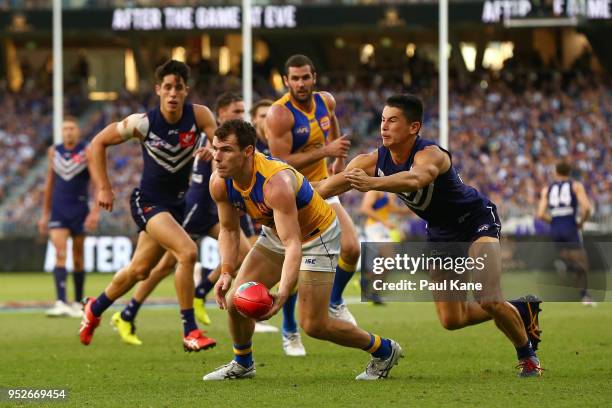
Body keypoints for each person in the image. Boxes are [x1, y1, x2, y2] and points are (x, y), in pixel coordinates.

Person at [315, 94, 543, 377]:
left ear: (414, 127)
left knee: (488, 298)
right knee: (451, 319)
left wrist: (371, 183)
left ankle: (527, 356)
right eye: (383, 120)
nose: (384, 127)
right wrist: (287, 192)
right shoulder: (372, 159)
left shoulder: (431, 154)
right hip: (441, 233)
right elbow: (325, 188)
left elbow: (415, 179)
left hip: (474, 222)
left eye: (393, 121)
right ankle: (522, 308)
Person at [202, 119, 402, 381]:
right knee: (234, 302)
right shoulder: (219, 181)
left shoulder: (275, 183)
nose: (217, 157)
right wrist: (227, 271)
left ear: (248, 152)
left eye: (226, 150)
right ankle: (243, 364)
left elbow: (293, 245)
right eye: (215, 148)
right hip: (276, 235)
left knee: (314, 325)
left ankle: (384, 350)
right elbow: (228, 230)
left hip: (317, 237)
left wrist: (283, 293)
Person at [79, 60, 217, 352]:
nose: (172, 93)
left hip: (176, 206)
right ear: (158, 90)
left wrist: (212, 151)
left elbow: (221, 145)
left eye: (178, 88)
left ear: (186, 90)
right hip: (149, 202)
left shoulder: (200, 116)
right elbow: (97, 143)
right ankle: (190, 330)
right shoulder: (142, 123)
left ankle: (95, 306)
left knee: (140, 270)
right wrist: (104, 186)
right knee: (187, 252)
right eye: (167, 87)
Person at [266, 54, 361, 354]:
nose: (301, 83)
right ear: (286, 81)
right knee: (294, 265)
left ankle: (334, 301)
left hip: (321, 188)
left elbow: (333, 128)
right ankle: (290, 329)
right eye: (295, 78)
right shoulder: (279, 115)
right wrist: (326, 151)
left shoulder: (326, 102)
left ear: (314, 77)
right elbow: (279, 162)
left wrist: (338, 159)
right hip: (292, 195)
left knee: (352, 248)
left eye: (305, 77)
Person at [38, 116, 99, 318]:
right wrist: (45, 214)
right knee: (60, 253)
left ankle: (78, 303)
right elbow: (49, 183)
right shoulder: (53, 152)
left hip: (80, 208)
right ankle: (61, 301)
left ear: (78, 131)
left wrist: (95, 211)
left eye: (72, 128)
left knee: (79, 258)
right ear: (61, 131)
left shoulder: (86, 151)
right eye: (65, 129)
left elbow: (97, 182)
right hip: (59, 209)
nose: (69, 132)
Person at [536, 161, 594, 306]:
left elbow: (540, 214)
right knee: (582, 263)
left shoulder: (547, 189)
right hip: (570, 226)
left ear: (556, 172)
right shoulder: (575, 186)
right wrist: (582, 222)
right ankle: (585, 296)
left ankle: (567, 268)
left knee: (570, 259)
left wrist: (554, 222)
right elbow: (586, 208)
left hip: (555, 228)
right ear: (569, 172)